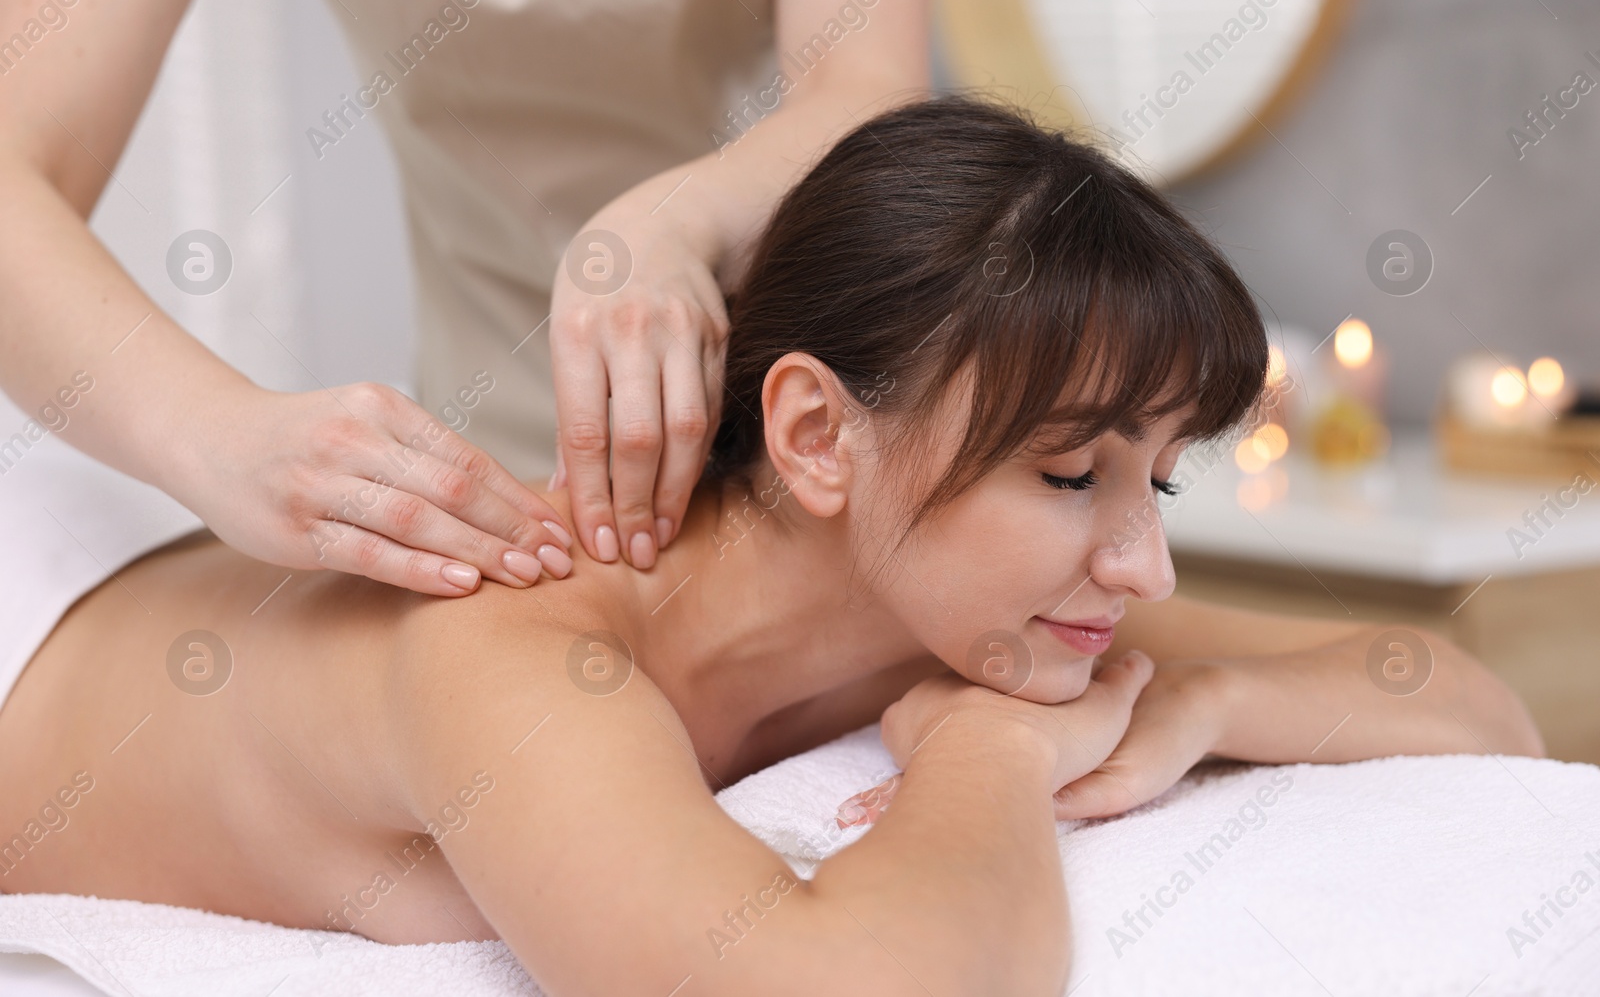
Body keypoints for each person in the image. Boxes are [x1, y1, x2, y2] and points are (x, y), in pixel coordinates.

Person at [0, 99, 1542, 995]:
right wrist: (990, 758)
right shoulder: (510, 642)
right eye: (1074, 470)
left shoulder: (932, 602)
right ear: (814, 435)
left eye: (1163, 484)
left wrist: (1199, 704)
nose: (1146, 570)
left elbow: (1475, 711)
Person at [0, 0, 928, 595]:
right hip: (504, 489)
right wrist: (215, 433)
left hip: (830, 456)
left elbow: (869, 88)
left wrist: (675, 223)